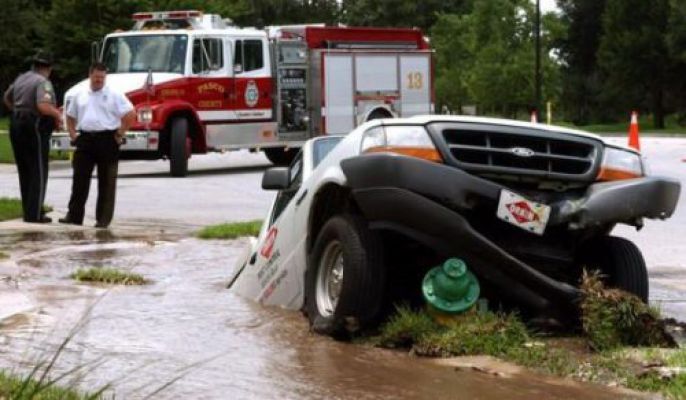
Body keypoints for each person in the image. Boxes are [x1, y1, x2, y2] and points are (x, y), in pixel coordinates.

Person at [59, 62, 135, 228]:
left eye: (102, 77)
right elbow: (70, 116)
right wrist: (73, 134)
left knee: (107, 182)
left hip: (107, 139)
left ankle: (103, 219)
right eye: (96, 77)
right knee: (79, 179)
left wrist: (120, 133)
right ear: (90, 75)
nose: (99, 81)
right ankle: (74, 215)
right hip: (85, 139)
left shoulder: (114, 95)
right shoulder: (80, 94)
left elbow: (130, 114)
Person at [3, 50, 62, 223]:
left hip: (15, 123)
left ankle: (28, 210)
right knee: (38, 169)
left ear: (34, 65)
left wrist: (17, 109)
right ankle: (35, 214)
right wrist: (57, 114)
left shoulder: (21, 78)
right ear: (49, 68)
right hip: (33, 124)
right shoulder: (43, 82)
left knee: (24, 169)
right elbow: (43, 106)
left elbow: (7, 98)